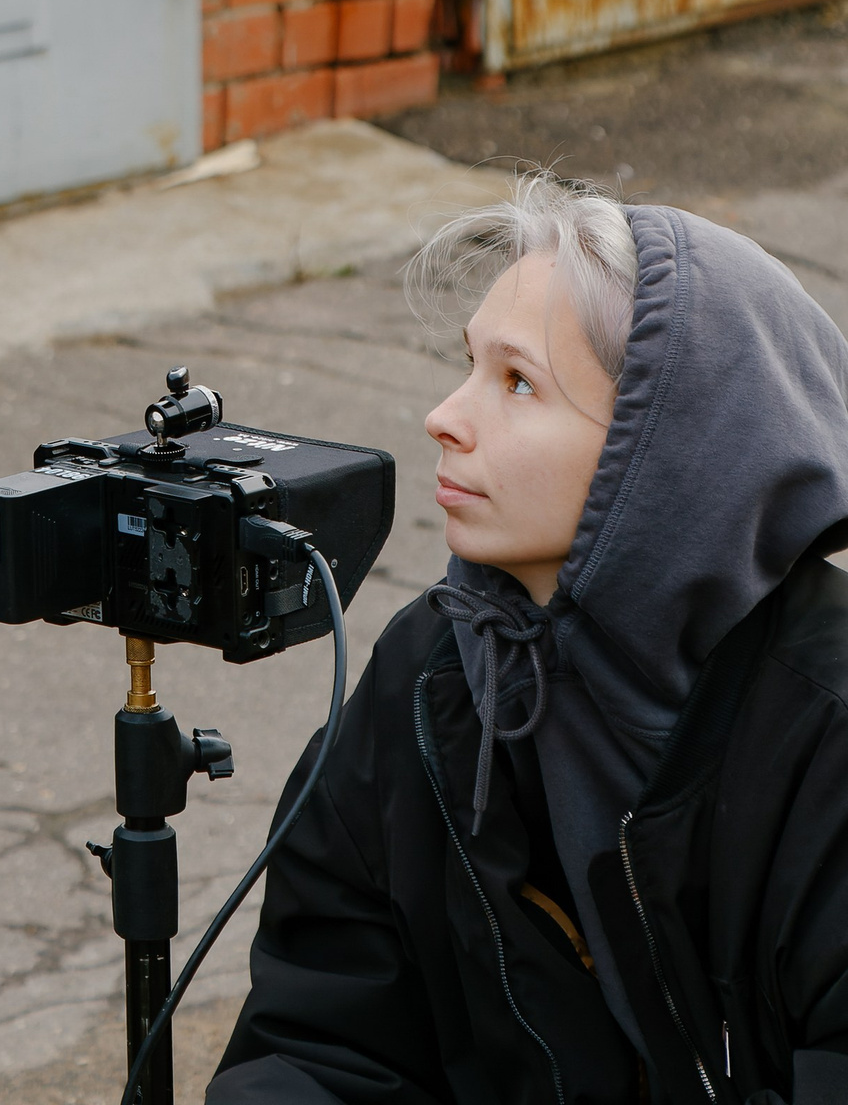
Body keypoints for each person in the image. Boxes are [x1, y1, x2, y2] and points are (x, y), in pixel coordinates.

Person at [211, 174, 848, 1105]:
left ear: (665, 446)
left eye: (517, 382)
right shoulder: (431, 675)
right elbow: (321, 1043)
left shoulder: (826, 732)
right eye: (470, 364)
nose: (444, 416)